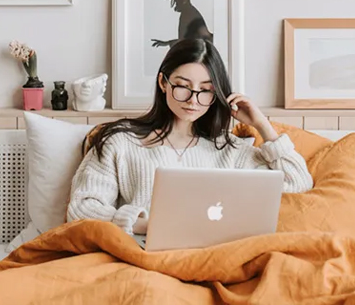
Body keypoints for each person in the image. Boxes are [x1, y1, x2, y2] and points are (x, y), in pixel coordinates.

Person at [67, 38, 313, 235]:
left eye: (206, 91)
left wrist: (262, 125)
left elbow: (298, 183)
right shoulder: (121, 142)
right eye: (183, 86)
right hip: (142, 253)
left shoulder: (231, 150)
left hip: (216, 256)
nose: (194, 101)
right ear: (163, 83)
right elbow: (82, 208)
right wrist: (145, 225)